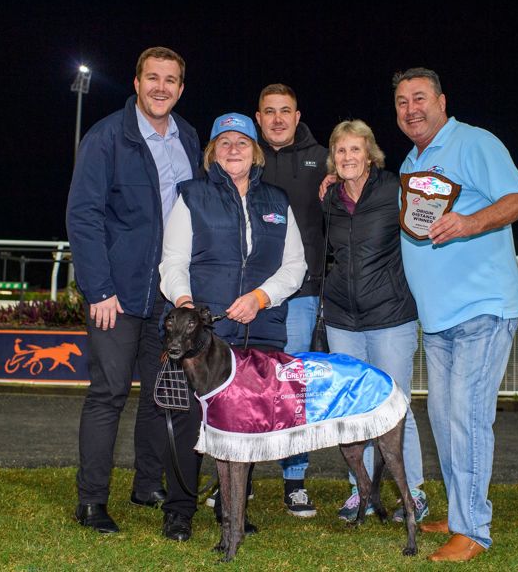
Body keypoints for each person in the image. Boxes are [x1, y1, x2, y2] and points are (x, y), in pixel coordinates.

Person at [393, 68, 518, 562]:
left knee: (468, 419)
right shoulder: (412, 161)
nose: (411, 109)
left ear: (442, 101)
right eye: (402, 102)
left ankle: (473, 530)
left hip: (482, 308)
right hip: (438, 319)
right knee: (444, 418)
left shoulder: (474, 142)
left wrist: (471, 223)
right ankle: (460, 514)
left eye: (420, 98)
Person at [66, 46, 204, 542]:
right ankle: (91, 500)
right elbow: (83, 215)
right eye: (152, 78)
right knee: (109, 394)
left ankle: (147, 486)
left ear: (181, 88)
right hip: (117, 296)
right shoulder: (107, 136)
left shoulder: (189, 138)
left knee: (162, 396)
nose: (160, 87)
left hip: (167, 299)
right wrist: (99, 288)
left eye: (170, 80)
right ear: (137, 82)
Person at [159, 112, 306, 531]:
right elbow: (173, 261)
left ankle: (232, 510)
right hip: (206, 335)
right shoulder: (192, 196)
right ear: (212, 153)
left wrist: (261, 297)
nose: (234, 149)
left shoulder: (277, 200)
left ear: (255, 151)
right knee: (191, 421)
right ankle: (180, 510)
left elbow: (295, 266)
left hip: (261, 330)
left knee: (246, 423)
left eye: (242, 142)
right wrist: (185, 305)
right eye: (224, 143)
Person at [319, 120, 427, 525]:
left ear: (370, 155)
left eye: (355, 149)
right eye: (341, 150)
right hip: (342, 319)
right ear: (333, 158)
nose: (348, 157)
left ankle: (413, 493)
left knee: (395, 407)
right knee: (352, 409)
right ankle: (359, 490)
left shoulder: (394, 189)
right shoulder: (329, 197)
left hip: (390, 317)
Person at [254, 83, 329, 517]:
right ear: (259, 117)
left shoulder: (323, 158)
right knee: (247, 387)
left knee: (294, 389)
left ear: (297, 116)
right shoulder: (246, 156)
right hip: (251, 298)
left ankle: (295, 482)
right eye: (270, 111)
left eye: (285, 110)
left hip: (302, 296)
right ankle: (238, 478)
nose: (278, 118)